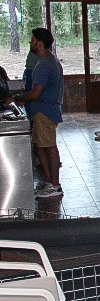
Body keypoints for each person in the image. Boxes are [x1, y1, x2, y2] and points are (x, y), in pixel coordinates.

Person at [8, 28, 64, 198]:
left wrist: (17, 98)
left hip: (45, 111)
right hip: (44, 110)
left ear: (40, 43)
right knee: (41, 147)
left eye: (32, 40)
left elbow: (36, 93)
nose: (30, 42)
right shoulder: (50, 61)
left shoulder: (44, 65)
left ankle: (55, 185)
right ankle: (48, 182)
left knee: (49, 147)